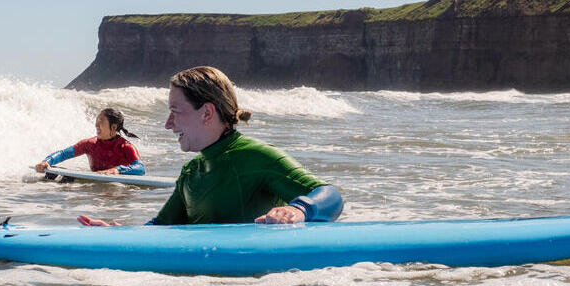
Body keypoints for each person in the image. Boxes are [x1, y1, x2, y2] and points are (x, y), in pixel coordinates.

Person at [78, 66, 343, 226]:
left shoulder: (256, 156)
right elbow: (161, 228)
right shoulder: (192, 171)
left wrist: (299, 209)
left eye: (175, 111)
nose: (168, 124)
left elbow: (331, 196)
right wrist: (121, 235)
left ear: (206, 113)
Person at [35, 108, 146, 176]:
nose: (96, 125)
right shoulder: (90, 144)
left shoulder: (126, 147)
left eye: (101, 122)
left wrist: (117, 170)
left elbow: (140, 168)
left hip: (120, 189)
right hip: (95, 192)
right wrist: (47, 161)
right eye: (96, 122)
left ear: (113, 127)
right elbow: (64, 153)